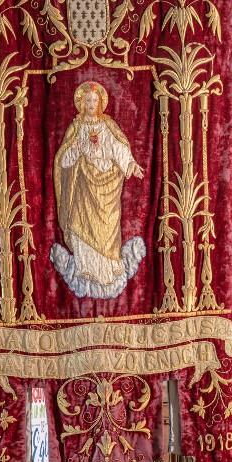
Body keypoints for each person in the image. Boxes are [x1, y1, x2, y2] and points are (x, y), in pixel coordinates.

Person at [50, 81, 146, 299]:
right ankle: (86, 272)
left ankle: (107, 273)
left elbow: (119, 148)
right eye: (87, 101)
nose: (91, 104)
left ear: (101, 102)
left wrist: (130, 164)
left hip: (107, 187)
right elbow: (63, 161)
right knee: (81, 225)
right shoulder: (76, 128)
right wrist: (75, 151)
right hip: (83, 187)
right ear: (81, 103)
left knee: (106, 230)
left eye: (94, 100)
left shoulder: (107, 125)